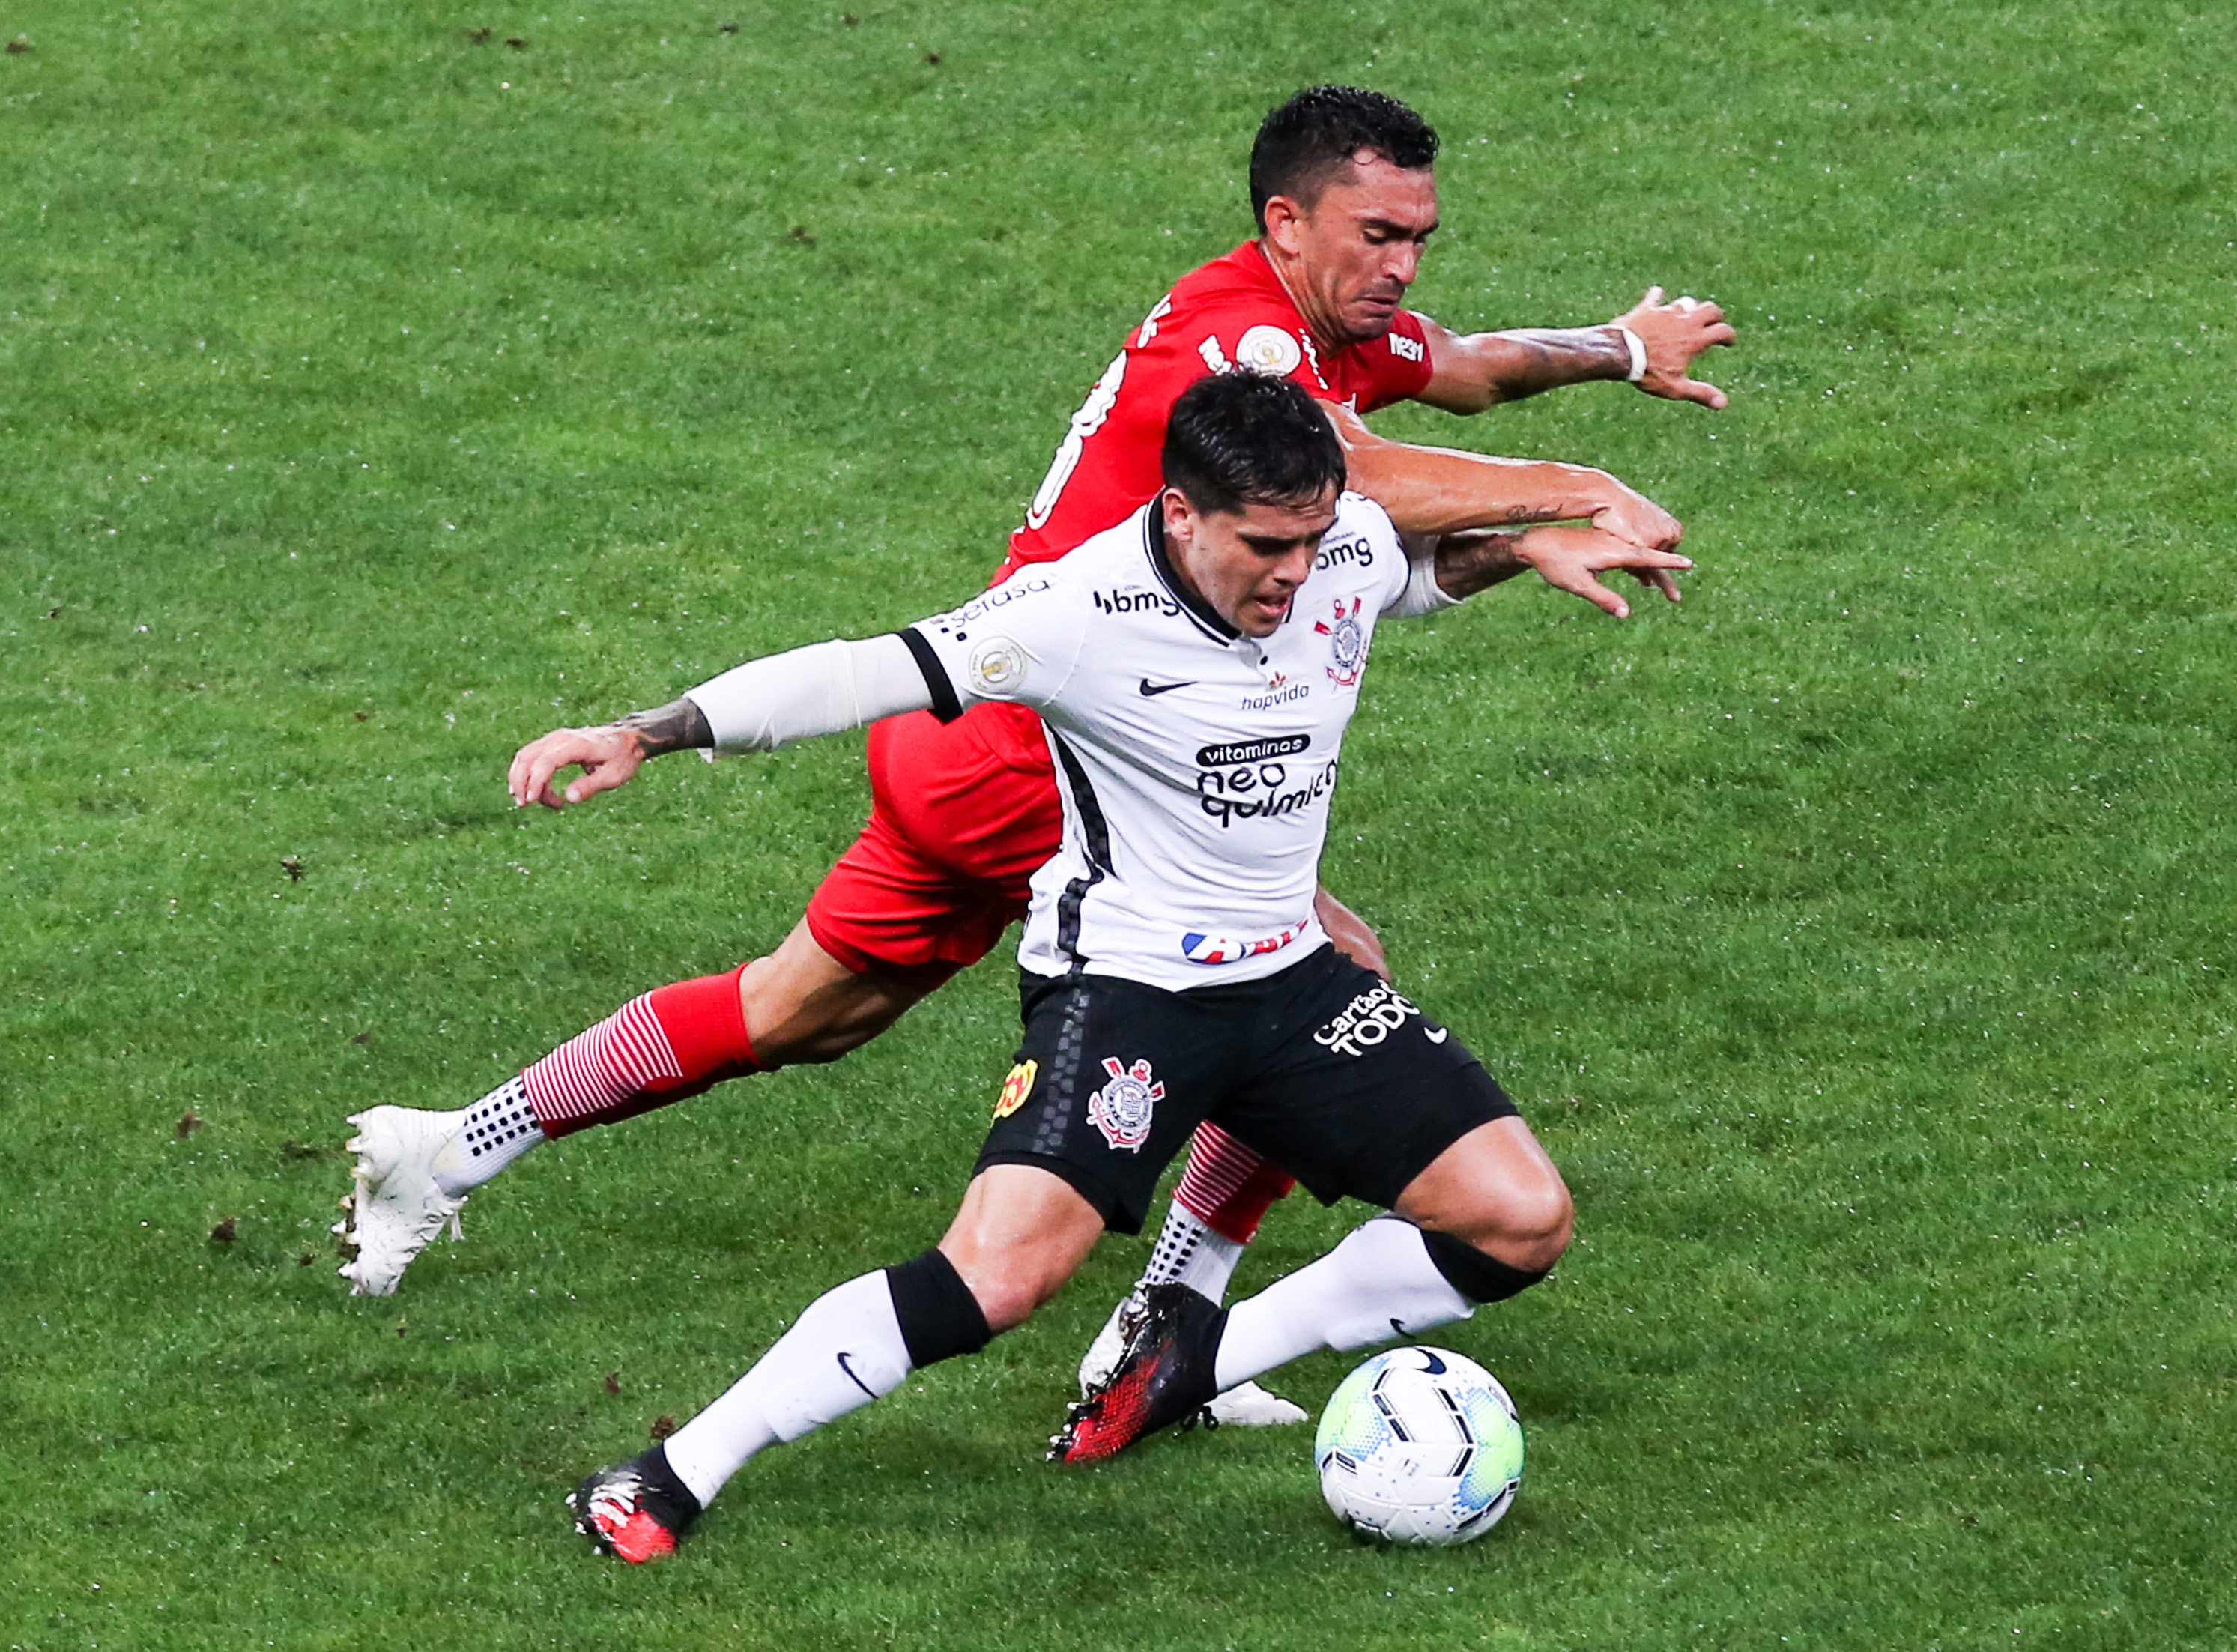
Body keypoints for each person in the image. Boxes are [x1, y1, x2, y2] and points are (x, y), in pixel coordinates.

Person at [335, 86, 1730, 1421]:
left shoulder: (1320, 326)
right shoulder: (1243, 349)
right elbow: (1356, 474)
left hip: (970, 739)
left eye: (1420, 236)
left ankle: (449, 1144)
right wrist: (1584, 489)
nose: (1403, 263)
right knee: (1313, 973)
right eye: (1380, 236)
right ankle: (1168, 1335)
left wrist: (1616, 347)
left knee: (800, 1010)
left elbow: (1475, 370)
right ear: (1287, 224)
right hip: (1049, 749)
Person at [557, 372, 1689, 1561]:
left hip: (1293, 981)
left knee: (1520, 1220)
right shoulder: (1075, 612)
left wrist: (1522, 550)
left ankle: (1192, 1353)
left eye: (1311, 538)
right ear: (1185, 514)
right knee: (995, 1276)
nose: (1297, 573)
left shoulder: (1332, 542)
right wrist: (644, 730)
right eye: (1267, 546)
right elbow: (851, 675)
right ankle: (672, 1470)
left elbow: (1401, 577)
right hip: (1132, 990)